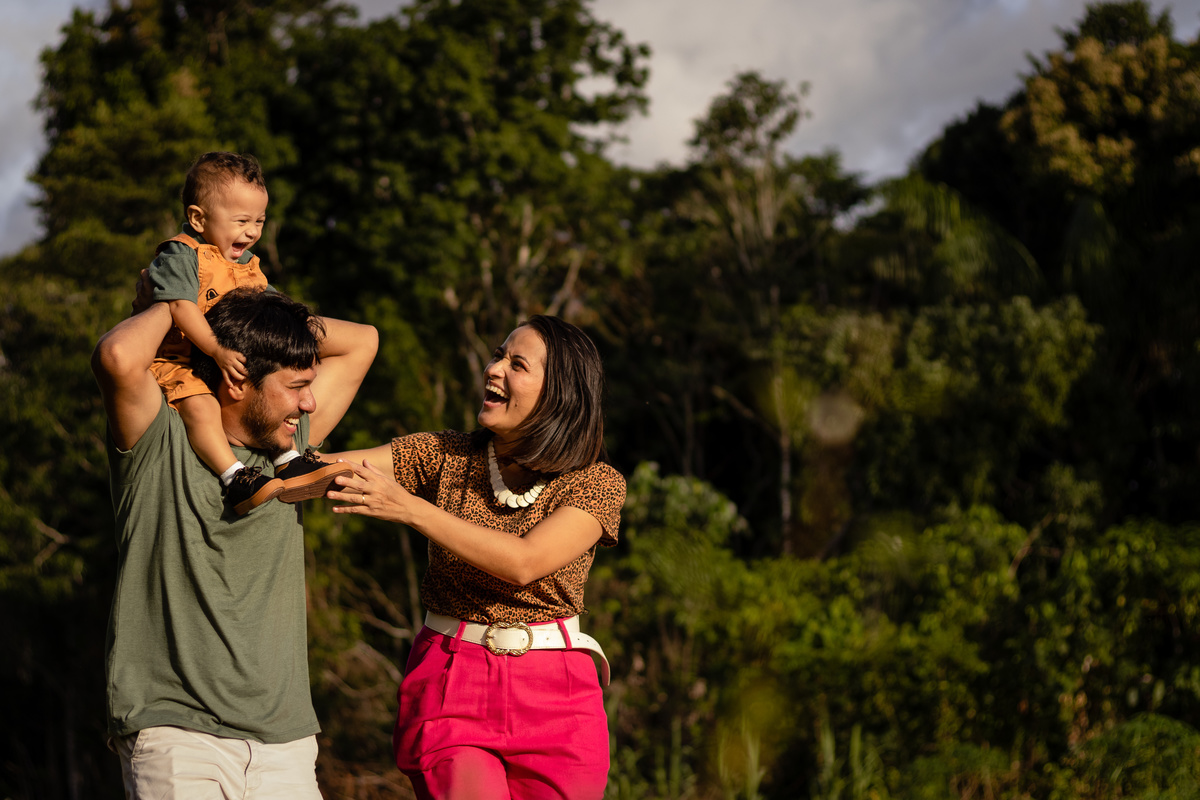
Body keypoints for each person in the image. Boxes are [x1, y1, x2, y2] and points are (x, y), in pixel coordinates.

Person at [91, 286, 378, 799]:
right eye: (295, 387)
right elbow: (116, 356)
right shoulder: (159, 438)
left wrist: (257, 311)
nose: (309, 402)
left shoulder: (292, 444)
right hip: (176, 731)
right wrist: (181, 299)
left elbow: (364, 341)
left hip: (286, 739)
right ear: (237, 379)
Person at [324, 314, 625, 800]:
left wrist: (411, 509)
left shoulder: (596, 483)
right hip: (451, 679)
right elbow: (325, 468)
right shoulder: (443, 454)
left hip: (559, 696)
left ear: (560, 394)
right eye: (497, 355)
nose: (494, 369)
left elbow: (525, 563)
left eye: (517, 364)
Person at [147, 151, 346, 514]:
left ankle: (288, 460)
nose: (252, 231)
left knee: (270, 400)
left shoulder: (247, 267)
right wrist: (216, 349)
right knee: (201, 405)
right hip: (179, 360)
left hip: (223, 363)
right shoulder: (181, 256)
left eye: (260, 220)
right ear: (198, 217)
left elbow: (274, 308)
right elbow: (180, 306)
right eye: (241, 220)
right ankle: (234, 477)